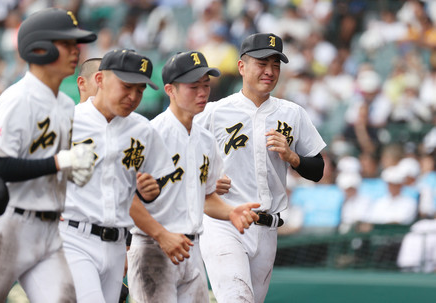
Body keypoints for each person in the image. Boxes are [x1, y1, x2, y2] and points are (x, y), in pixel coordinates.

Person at [194, 32, 326, 303]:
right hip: (224, 221)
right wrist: (204, 179)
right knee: (236, 298)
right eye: (262, 63)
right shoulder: (215, 112)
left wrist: (293, 157)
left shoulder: (292, 113)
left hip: (267, 227)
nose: (270, 71)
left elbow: (318, 169)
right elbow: (177, 153)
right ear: (242, 67)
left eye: (275, 65)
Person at [126, 50, 260, 303]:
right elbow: (126, 198)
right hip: (154, 247)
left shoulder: (206, 140)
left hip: (192, 248)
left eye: (206, 85)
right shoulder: (149, 134)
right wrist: (160, 235)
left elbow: (206, 198)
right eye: (193, 86)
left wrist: (230, 212)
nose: (202, 93)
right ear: (170, 90)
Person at [0, 8, 97, 302]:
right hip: (8, 225)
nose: (76, 52)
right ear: (39, 48)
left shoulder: (65, 104)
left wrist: (69, 170)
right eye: (67, 44)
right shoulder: (17, 98)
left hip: (49, 230)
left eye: (76, 45)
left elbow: (51, 165)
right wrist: (59, 162)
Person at [59, 48, 175, 302]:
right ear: (99, 80)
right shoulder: (67, 121)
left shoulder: (142, 129)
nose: (134, 96)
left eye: (141, 90)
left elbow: (159, 179)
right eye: (127, 86)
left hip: (117, 244)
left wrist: (149, 191)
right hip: (73, 237)